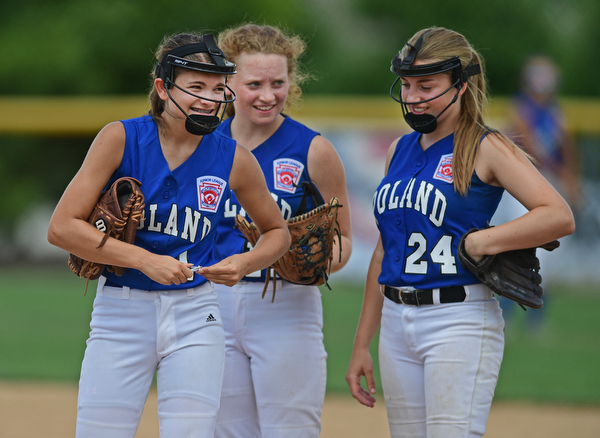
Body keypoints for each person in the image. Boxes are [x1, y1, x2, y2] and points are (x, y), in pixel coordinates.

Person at [47, 32, 290, 438]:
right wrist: (143, 259)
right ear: (162, 87)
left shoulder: (234, 158)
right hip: (121, 311)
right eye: (196, 87)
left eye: (217, 87)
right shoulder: (121, 138)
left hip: (199, 313)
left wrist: (246, 262)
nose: (210, 99)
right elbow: (62, 227)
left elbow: (277, 232)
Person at [345, 27, 575, 438]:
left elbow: (558, 214)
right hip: (398, 320)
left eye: (427, 85)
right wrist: (363, 342)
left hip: (458, 318)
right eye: (408, 85)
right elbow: (383, 252)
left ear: (461, 86)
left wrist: (486, 239)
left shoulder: (484, 145)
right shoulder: (400, 149)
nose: (413, 95)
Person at [212, 23, 353, 438]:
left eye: (278, 82)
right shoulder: (203, 145)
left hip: (285, 303)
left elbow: (343, 238)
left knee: (290, 429)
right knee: (224, 430)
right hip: (211, 305)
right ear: (228, 83)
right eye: (254, 83)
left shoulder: (313, 150)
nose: (268, 95)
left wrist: (316, 263)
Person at [492, 55, 581, 328]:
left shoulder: (555, 111)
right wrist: (564, 174)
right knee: (520, 246)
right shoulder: (521, 108)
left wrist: (571, 178)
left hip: (550, 181)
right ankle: (506, 311)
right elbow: (531, 147)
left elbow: (567, 147)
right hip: (524, 182)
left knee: (549, 254)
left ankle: (536, 319)